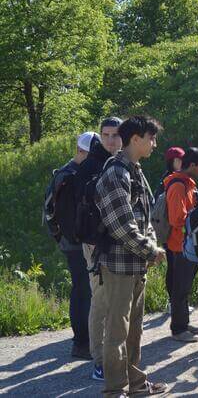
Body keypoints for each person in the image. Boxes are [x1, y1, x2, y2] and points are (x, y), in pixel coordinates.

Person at [94, 116, 167, 397]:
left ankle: (135, 384)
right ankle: (115, 390)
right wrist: (151, 250)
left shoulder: (134, 169)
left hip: (137, 264)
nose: (154, 144)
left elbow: (145, 218)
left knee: (134, 330)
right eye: (151, 138)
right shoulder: (116, 173)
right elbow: (121, 225)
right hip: (119, 265)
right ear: (135, 138)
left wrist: (150, 247)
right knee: (116, 332)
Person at [77, 116, 123, 381]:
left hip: (116, 242)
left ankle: (114, 356)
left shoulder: (120, 163)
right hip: (95, 244)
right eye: (105, 134)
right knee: (101, 300)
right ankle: (99, 361)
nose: (110, 139)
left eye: (115, 135)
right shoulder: (91, 165)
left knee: (116, 301)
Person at [50, 131, 96, 360]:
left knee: (83, 289)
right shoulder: (71, 175)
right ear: (80, 151)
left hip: (71, 240)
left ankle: (85, 340)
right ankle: (81, 343)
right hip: (76, 242)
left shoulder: (64, 173)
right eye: (91, 153)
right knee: (82, 290)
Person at [164, 147, 198, 342]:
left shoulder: (187, 183)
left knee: (184, 288)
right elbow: (177, 219)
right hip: (179, 246)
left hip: (187, 245)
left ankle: (184, 323)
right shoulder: (177, 186)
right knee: (179, 289)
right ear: (191, 165)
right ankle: (179, 329)